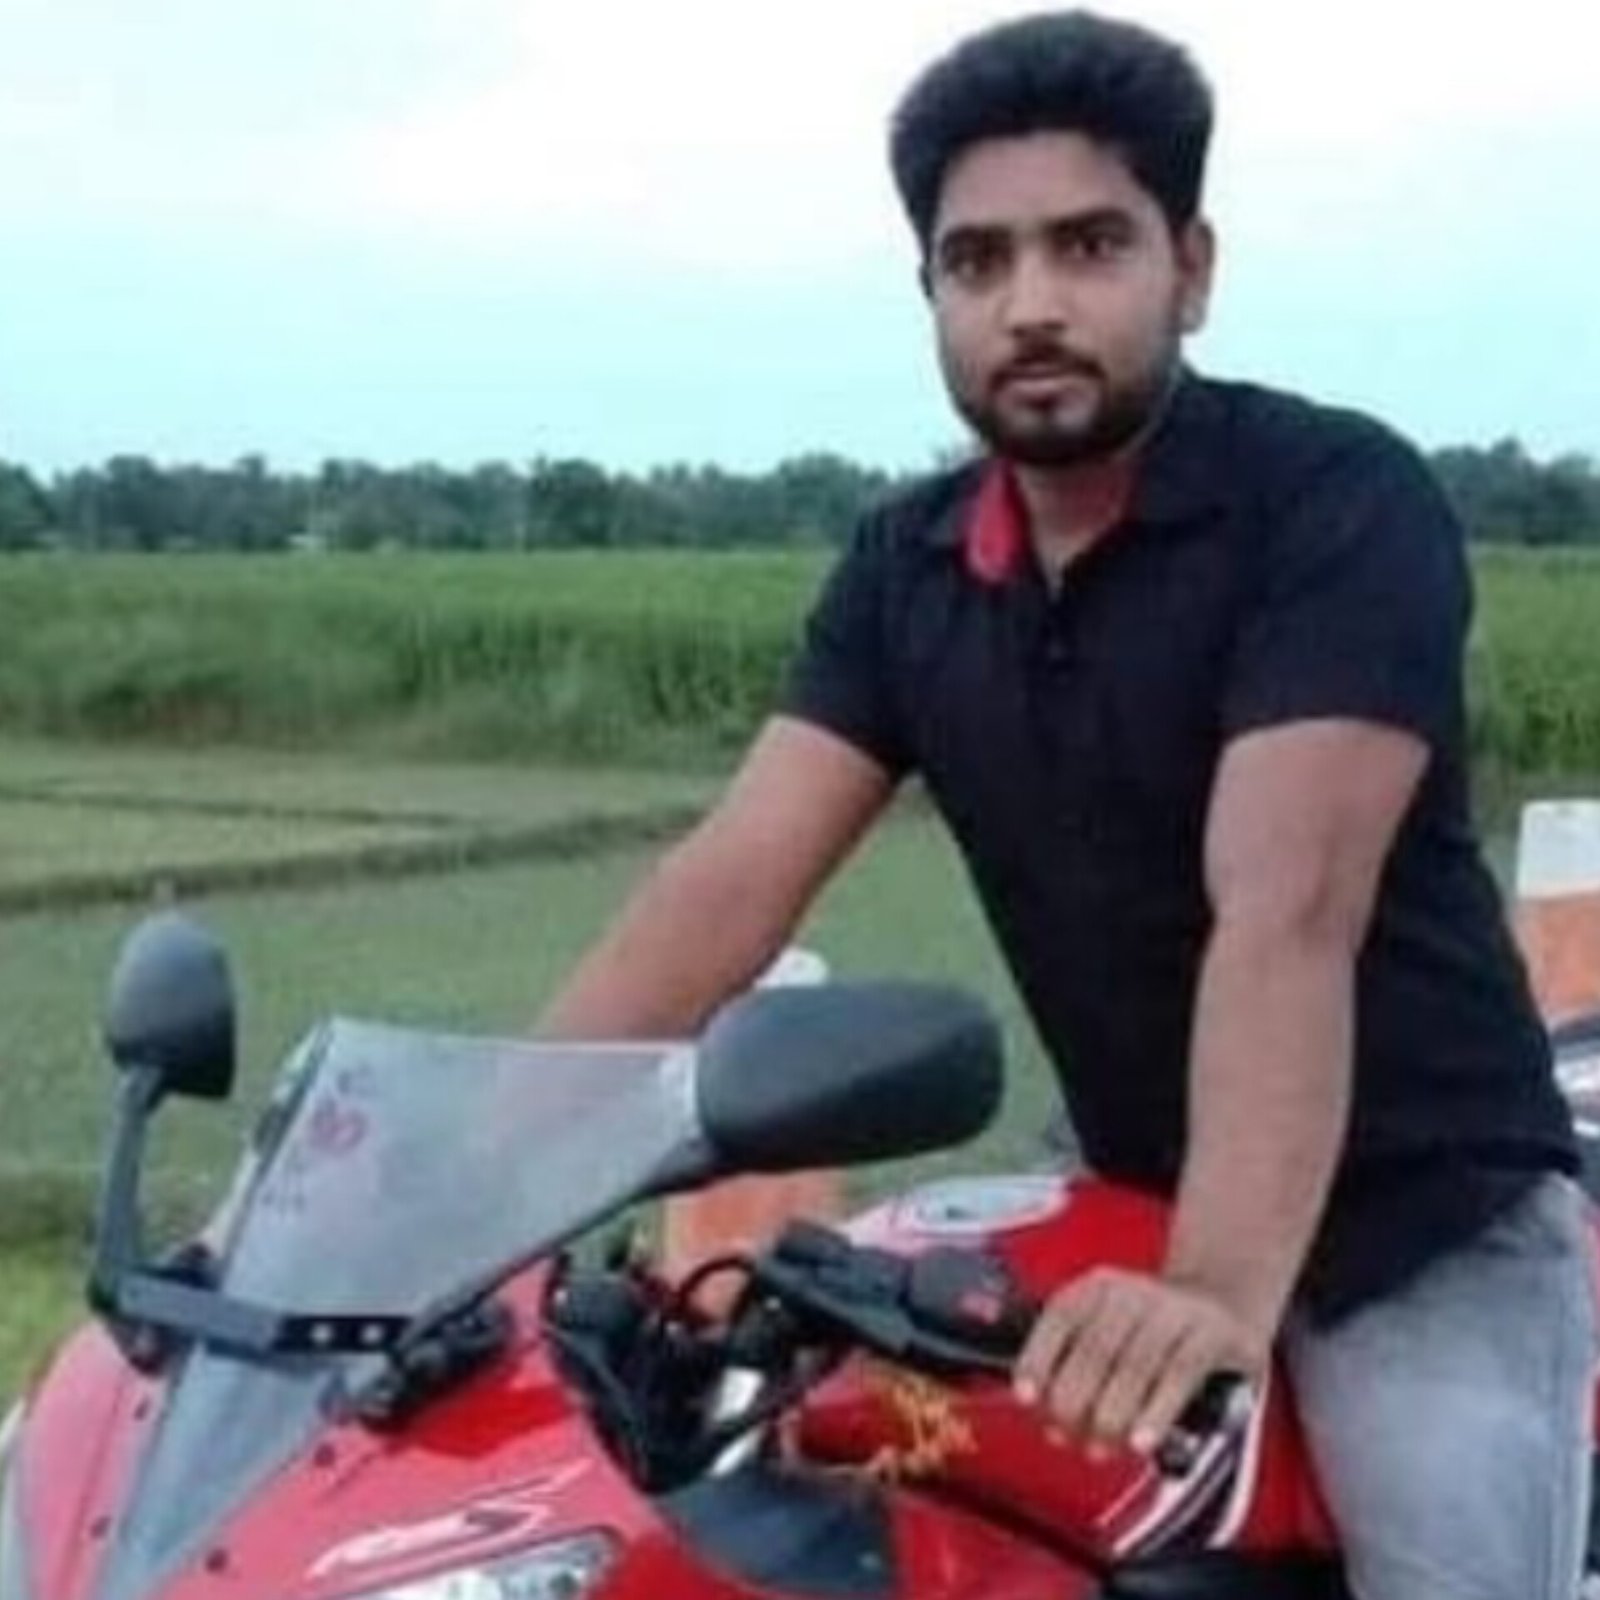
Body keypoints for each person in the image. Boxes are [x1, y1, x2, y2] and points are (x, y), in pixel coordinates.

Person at [540, 12, 1593, 1596]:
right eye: (978, 261)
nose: (1031, 304)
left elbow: (1285, 912)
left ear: (1192, 268)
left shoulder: (1331, 505)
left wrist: (1217, 1290)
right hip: (1129, 1189)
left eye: (1089, 245)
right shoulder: (906, 572)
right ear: (932, 295)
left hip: (1420, 1221)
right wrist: (457, 1177)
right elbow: (728, 883)